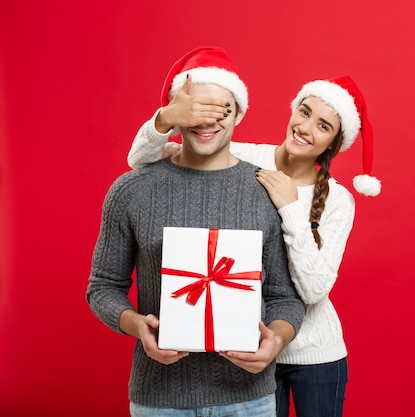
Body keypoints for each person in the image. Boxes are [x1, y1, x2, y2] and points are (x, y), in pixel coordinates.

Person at [128, 68, 381, 417]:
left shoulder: (339, 201)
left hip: (315, 354)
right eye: (304, 112)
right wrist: (165, 118)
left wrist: (290, 208)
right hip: (247, 351)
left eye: (324, 126)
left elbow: (313, 290)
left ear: (334, 144)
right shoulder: (245, 159)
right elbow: (140, 163)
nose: (306, 128)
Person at [86, 46, 305, 417]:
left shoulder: (267, 190)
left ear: (238, 114)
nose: (206, 122)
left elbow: (286, 296)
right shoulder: (131, 190)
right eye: (194, 110)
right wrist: (137, 325)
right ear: (175, 114)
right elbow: (102, 287)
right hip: (159, 398)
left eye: (220, 109)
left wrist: (278, 339)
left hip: (249, 399)